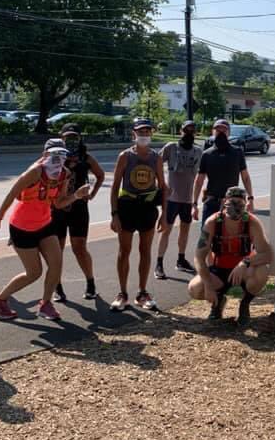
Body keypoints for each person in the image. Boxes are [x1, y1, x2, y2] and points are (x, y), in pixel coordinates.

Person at [0, 140, 89, 322]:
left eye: (62, 155)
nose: (58, 159)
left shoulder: (64, 174)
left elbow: (58, 203)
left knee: (56, 264)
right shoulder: (34, 172)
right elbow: (12, 194)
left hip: (45, 224)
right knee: (34, 273)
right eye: (54, 154)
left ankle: (46, 304)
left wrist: (76, 196)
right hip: (22, 227)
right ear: (45, 154)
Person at [188, 186, 273, 326]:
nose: (235, 207)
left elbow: (267, 254)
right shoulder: (212, 222)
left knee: (262, 270)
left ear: (245, 204)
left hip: (244, 271)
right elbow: (199, 256)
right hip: (219, 271)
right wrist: (208, 285)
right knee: (195, 289)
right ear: (224, 202)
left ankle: (245, 304)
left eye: (240, 203)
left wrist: (245, 262)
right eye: (232, 202)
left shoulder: (252, 222)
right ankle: (218, 301)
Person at [109, 118, 168, 312]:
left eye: (147, 132)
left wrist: (164, 215)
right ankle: (122, 293)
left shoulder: (156, 158)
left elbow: (163, 187)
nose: (144, 135)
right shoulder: (125, 156)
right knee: (124, 250)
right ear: (134, 134)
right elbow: (115, 187)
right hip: (126, 207)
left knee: (145, 250)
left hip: (147, 208)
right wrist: (114, 214)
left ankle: (142, 292)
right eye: (141, 132)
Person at [52, 123, 106, 302]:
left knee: (80, 248)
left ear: (80, 138)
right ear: (61, 138)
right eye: (67, 137)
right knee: (56, 250)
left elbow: (100, 175)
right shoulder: (55, 157)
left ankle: (91, 283)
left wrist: (92, 194)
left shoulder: (86, 158)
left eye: (74, 137)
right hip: (57, 208)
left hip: (78, 208)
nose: (71, 141)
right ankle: (57, 287)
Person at [155, 120, 202, 280]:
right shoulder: (171, 147)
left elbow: (201, 176)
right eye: (186, 130)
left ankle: (181, 259)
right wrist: (161, 184)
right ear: (181, 131)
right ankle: (159, 263)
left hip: (187, 199)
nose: (189, 133)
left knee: (185, 230)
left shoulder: (198, 151)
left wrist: (196, 200)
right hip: (171, 199)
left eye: (192, 131)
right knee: (166, 230)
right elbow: (156, 163)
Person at [193, 118, 256, 224]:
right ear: (213, 132)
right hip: (212, 202)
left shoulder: (237, 152)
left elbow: (245, 177)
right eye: (218, 130)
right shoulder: (207, 154)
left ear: (229, 133)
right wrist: (194, 204)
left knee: (232, 233)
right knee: (206, 233)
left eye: (224, 130)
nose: (221, 133)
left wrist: (250, 199)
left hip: (233, 203)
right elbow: (199, 181)